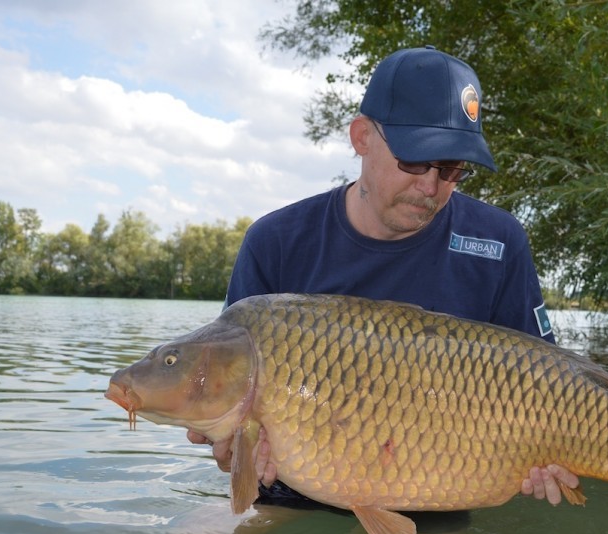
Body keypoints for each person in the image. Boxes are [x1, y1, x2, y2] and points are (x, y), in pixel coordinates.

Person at [187, 46, 579, 508]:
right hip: (294, 506)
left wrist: (556, 454)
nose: (431, 187)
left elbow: (554, 391)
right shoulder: (275, 243)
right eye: (414, 161)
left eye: (452, 169)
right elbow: (230, 430)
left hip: (437, 510)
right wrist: (234, 450)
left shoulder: (498, 242)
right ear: (361, 137)